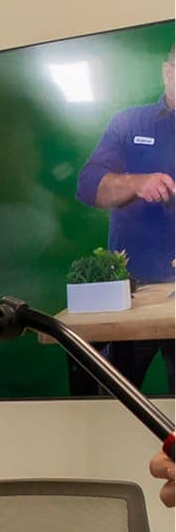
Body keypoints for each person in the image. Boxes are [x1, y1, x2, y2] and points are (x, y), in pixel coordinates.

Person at [76, 51, 175, 388]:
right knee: (114, 401)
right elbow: (89, 187)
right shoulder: (128, 122)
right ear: (166, 71)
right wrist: (137, 182)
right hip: (132, 295)